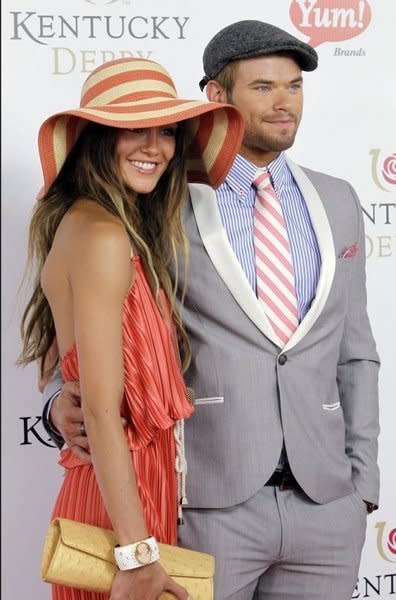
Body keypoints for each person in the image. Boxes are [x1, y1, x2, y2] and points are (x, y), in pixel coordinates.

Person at [42, 21, 380, 600]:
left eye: (293, 87)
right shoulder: (157, 203)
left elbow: (356, 351)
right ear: (217, 98)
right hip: (206, 503)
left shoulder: (341, 199)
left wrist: (362, 484)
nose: (283, 103)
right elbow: (91, 325)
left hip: (327, 506)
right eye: (263, 86)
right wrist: (58, 406)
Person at [19, 56, 243, 600]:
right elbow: (98, 409)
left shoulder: (99, 224)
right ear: (97, 138)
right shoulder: (101, 234)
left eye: (166, 131)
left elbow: (59, 362)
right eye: (131, 130)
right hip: (120, 509)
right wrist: (137, 555)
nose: (155, 147)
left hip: (138, 494)